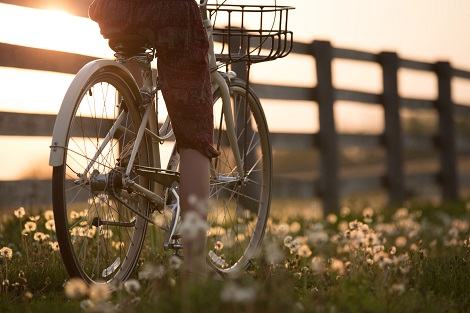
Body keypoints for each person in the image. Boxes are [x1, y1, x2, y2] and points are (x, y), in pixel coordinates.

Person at [88, 0, 219, 278]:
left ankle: (131, 177)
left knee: (133, 94)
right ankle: (194, 266)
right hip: (168, 10)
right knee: (195, 132)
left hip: (113, 8)